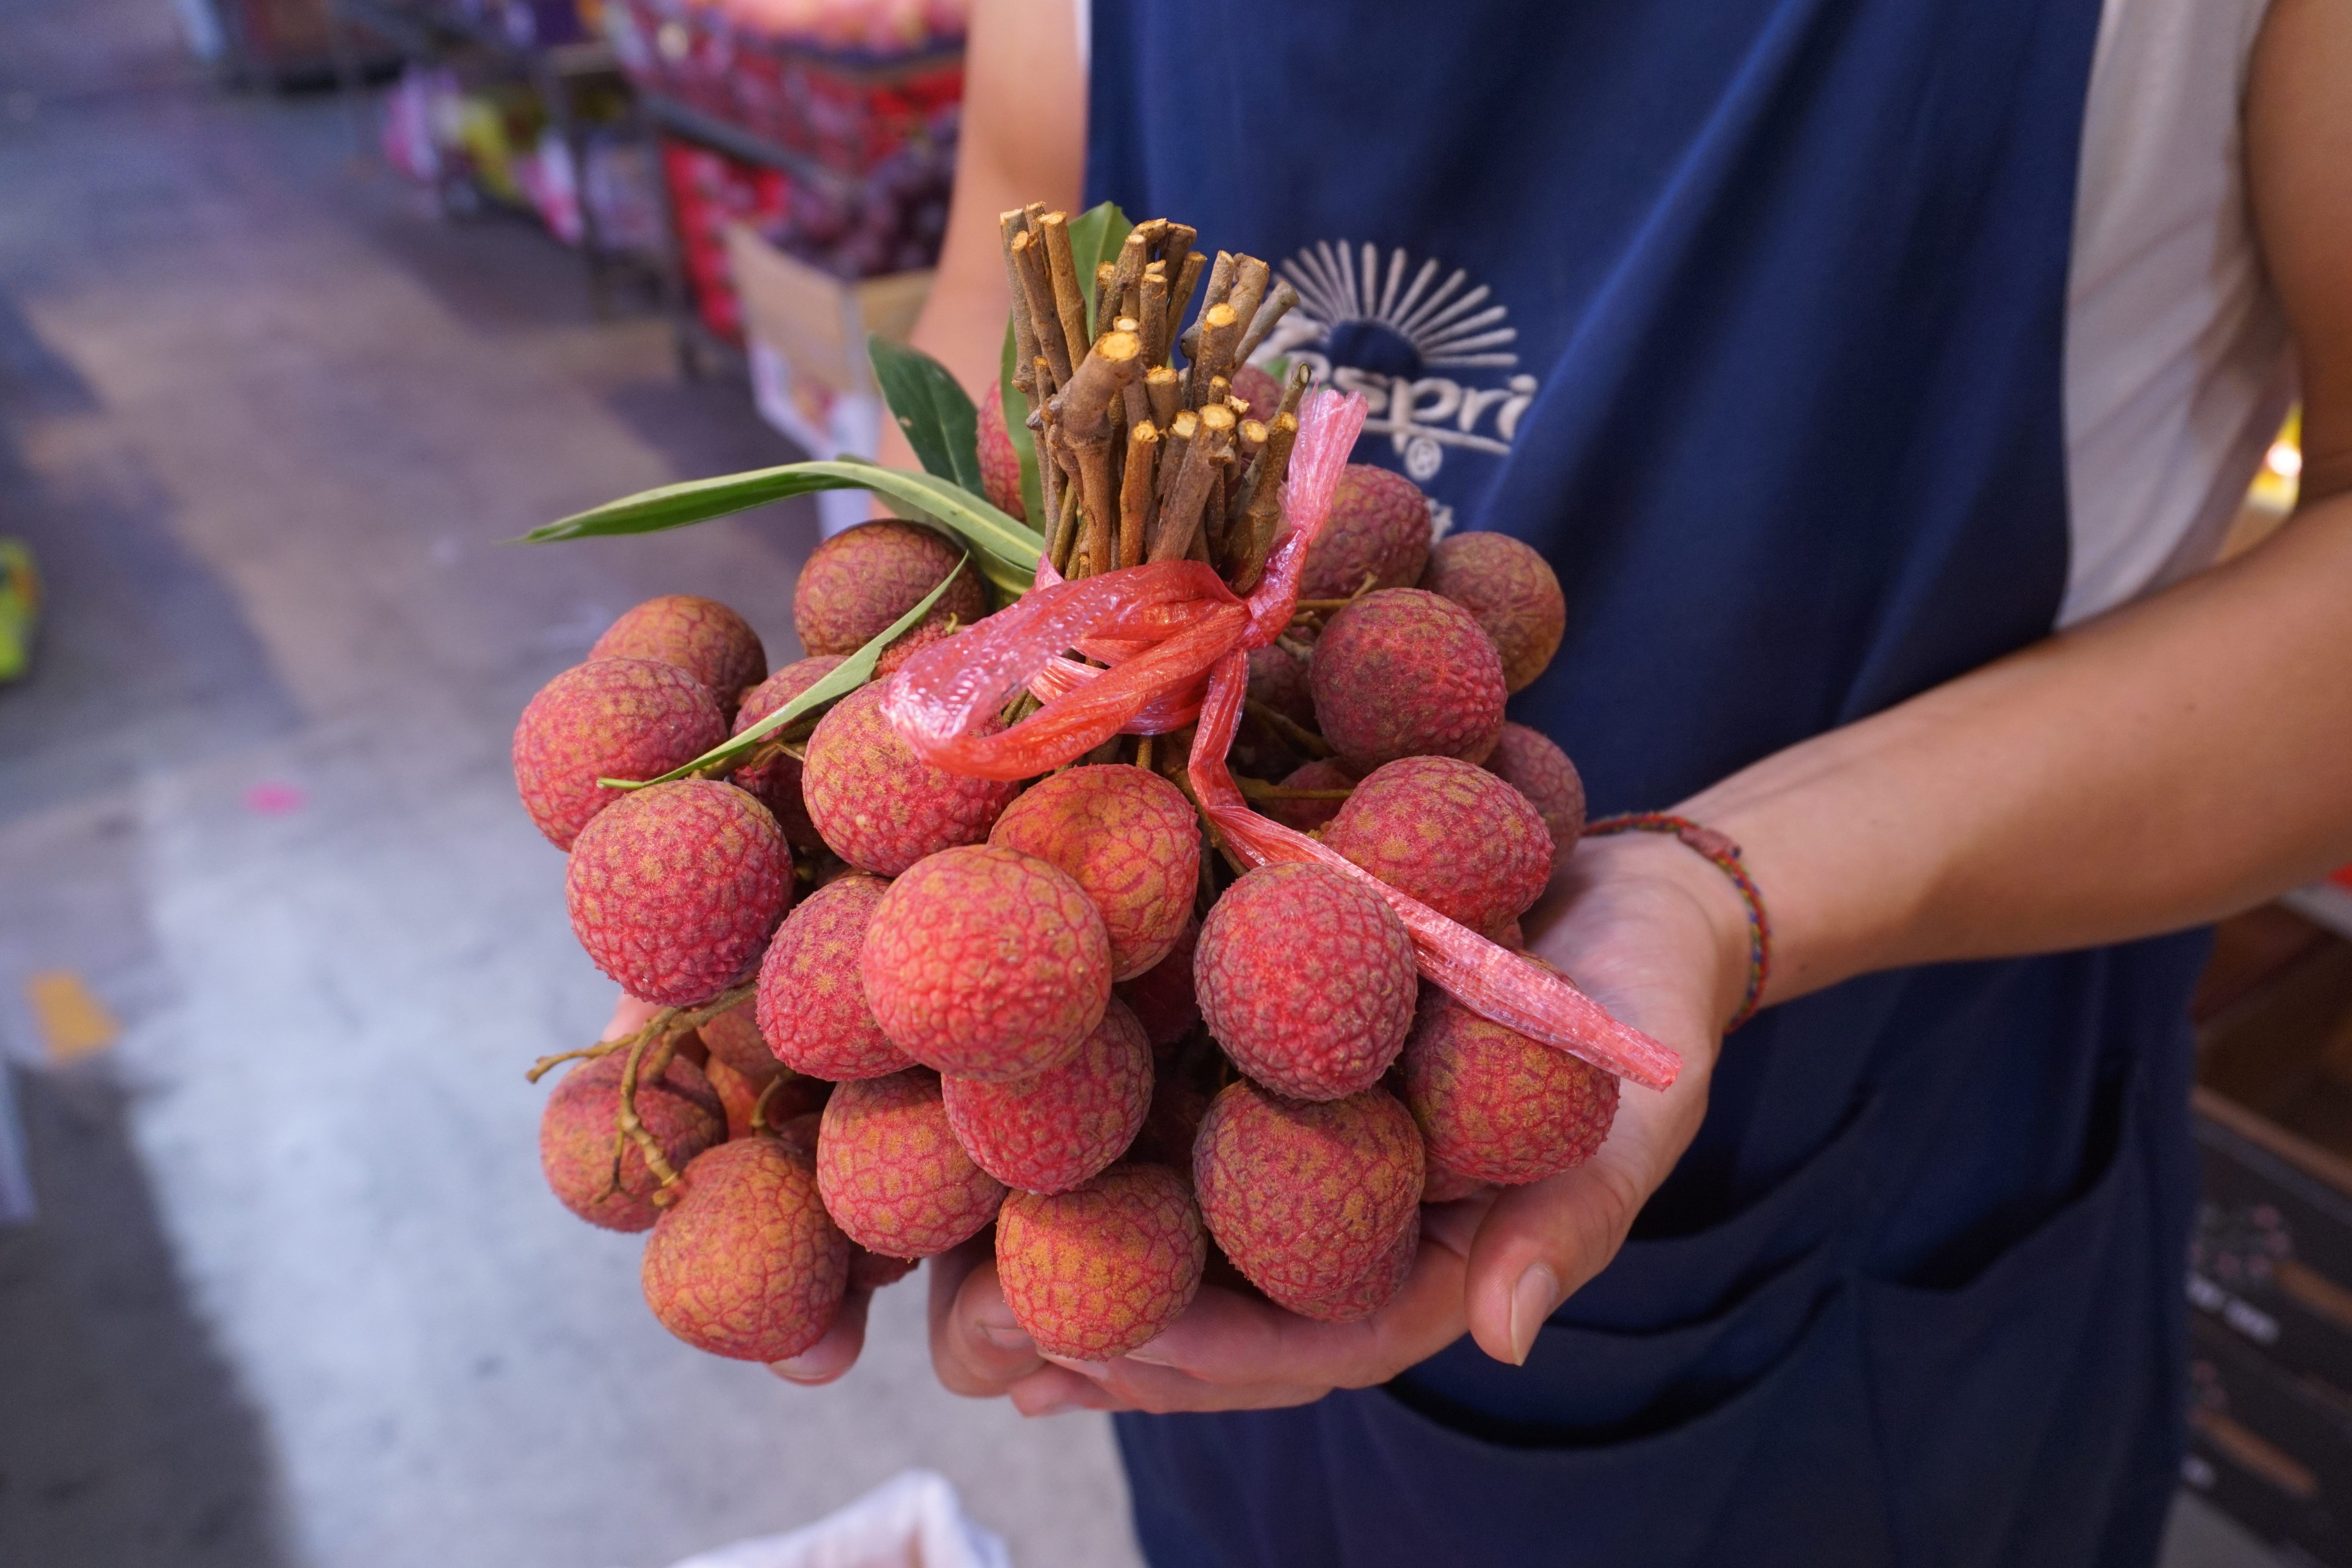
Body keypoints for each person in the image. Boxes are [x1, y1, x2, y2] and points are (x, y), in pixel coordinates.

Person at [663, 0, 2350, 1560]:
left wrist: (1726, 883)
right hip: (1177, 1172)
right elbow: (1012, 255)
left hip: (1874, 1206)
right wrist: (910, 738)